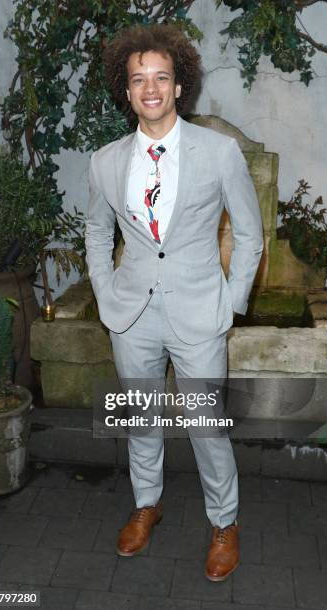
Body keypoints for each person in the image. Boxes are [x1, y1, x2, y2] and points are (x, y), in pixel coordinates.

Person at [85, 23, 263, 581]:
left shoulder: (220, 152)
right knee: (141, 418)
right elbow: (94, 233)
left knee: (207, 427)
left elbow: (251, 235)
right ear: (127, 89)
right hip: (131, 315)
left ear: (179, 84)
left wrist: (231, 304)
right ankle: (146, 504)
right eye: (139, 79)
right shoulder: (105, 162)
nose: (151, 88)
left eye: (161, 77)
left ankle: (224, 521)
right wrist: (104, 291)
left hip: (199, 313)